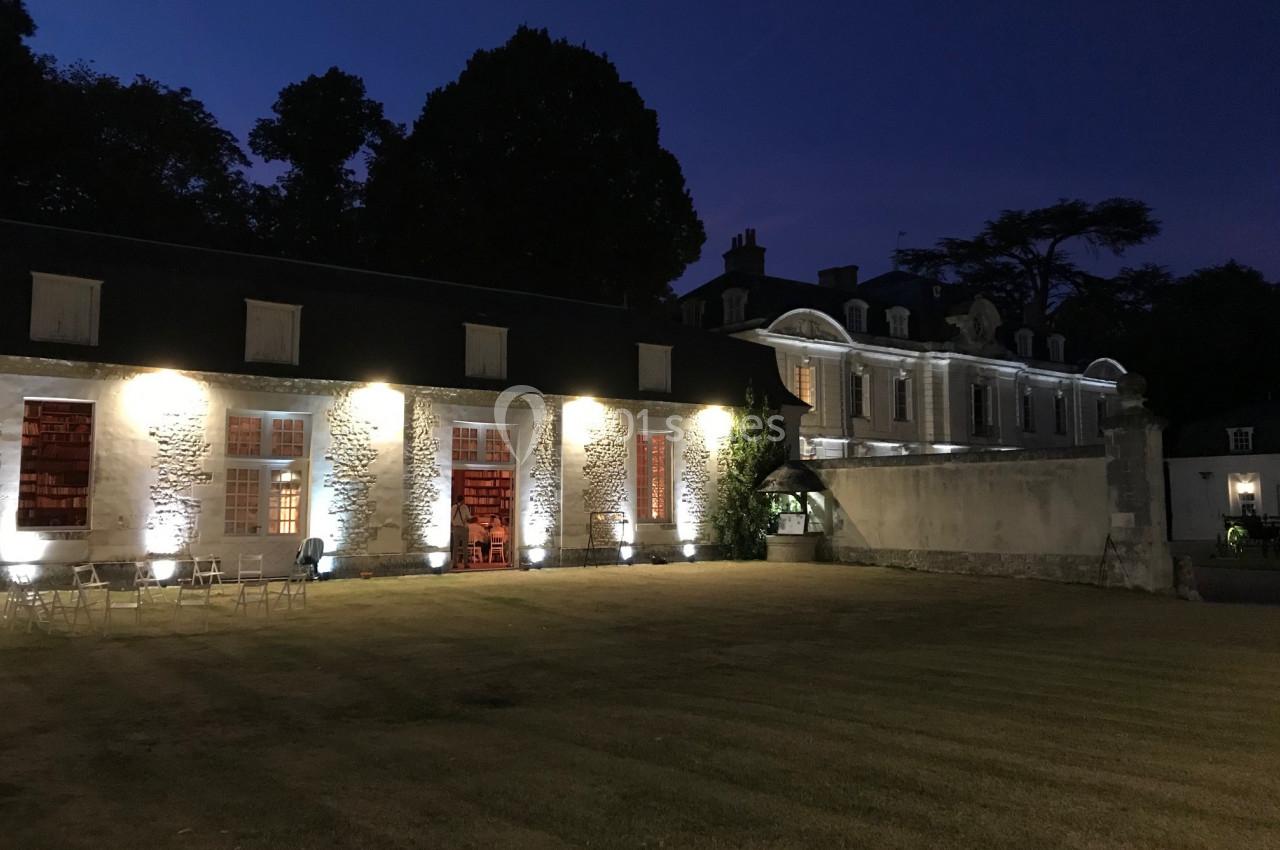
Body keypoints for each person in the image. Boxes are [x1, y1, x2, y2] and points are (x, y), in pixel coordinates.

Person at [450, 495, 472, 567]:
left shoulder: (453, 507)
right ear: (463, 500)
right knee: (464, 546)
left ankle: (454, 563)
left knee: (455, 546)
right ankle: (465, 563)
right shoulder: (465, 507)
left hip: (455, 528)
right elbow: (469, 517)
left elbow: (451, 518)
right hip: (463, 528)